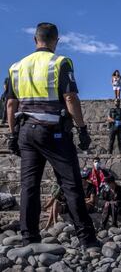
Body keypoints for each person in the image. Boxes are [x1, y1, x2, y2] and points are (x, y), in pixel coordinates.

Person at [6, 22, 96, 246]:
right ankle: (87, 239)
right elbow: (70, 98)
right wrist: (82, 128)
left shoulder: (16, 67)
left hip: (26, 131)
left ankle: (29, 238)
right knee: (71, 184)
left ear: (35, 40)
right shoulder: (60, 62)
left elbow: (10, 105)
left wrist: (12, 134)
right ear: (56, 40)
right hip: (53, 130)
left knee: (29, 186)